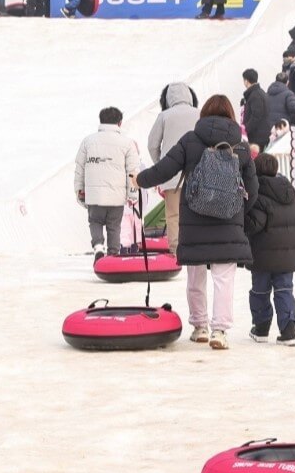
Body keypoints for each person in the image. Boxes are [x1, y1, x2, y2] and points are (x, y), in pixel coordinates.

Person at [134, 95, 258, 350]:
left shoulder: (191, 140)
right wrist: (240, 212)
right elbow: (253, 188)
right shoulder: (241, 146)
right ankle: (220, 331)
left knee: (195, 275)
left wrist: (140, 180)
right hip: (228, 219)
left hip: (194, 218)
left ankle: (200, 326)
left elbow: (164, 169)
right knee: (224, 278)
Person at [245, 152, 295, 346]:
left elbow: (255, 224)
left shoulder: (259, 193)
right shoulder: (290, 195)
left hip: (263, 254)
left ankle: (261, 328)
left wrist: (243, 216)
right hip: (288, 255)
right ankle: (288, 331)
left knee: (260, 291)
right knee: (285, 290)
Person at [74, 107, 140, 261]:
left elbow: (79, 169)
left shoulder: (88, 141)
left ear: (101, 121)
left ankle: (98, 247)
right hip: (116, 197)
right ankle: (113, 256)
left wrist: (79, 190)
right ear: (120, 122)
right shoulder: (127, 143)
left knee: (95, 221)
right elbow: (132, 171)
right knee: (114, 226)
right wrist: (132, 194)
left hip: (94, 196)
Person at [147, 82, 200, 255]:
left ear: (168, 98)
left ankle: (176, 249)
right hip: (198, 172)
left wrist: (161, 165)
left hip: (171, 174)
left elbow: (152, 145)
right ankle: (196, 247)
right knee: (198, 212)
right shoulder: (200, 113)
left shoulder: (164, 116)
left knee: (173, 215)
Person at [240, 68, 270, 152]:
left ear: (246, 81)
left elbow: (256, 117)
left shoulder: (255, 95)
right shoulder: (260, 92)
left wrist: (245, 130)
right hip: (262, 134)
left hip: (257, 137)